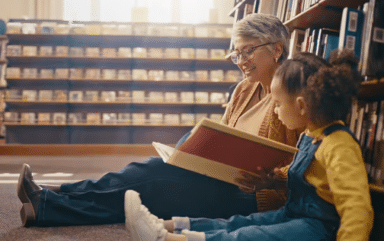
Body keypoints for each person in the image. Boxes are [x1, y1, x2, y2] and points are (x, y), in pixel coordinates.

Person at [17, 13, 302, 227]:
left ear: (277, 49)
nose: (241, 60)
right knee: (150, 170)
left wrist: (274, 178)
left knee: (153, 184)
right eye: (236, 53)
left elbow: (305, 163)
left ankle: (50, 204)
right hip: (221, 181)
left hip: (254, 200)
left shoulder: (292, 95)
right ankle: (53, 199)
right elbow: (225, 137)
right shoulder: (244, 89)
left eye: (248, 50)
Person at [124, 51, 374, 241]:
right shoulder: (311, 134)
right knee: (239, 222)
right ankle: (168, 225)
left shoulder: (340, 145)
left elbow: (357, 207)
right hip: (294, 213)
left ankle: (164, 238)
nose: (275, 112)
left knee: (250, 236)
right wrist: (275, 180)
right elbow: (312, 180)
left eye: (277, 103)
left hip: (318, 227)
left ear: (300, 106)